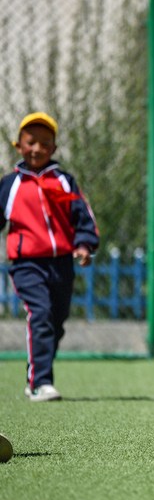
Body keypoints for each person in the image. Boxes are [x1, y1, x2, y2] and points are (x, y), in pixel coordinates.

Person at [0, 112, 99, 402]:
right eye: (31, 142)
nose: (37, 149)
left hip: (62, 264)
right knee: (40, 313)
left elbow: (83, 217)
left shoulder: (64, 182)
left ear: (54, 148)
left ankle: (37, 372)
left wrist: (84, 245)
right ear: (19, 145)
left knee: (56, 320)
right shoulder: (10, 184)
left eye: (45, 143)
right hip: (27, 264)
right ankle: (40, 382)